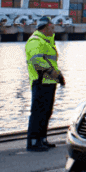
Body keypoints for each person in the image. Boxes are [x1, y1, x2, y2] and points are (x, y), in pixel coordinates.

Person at [25, 17, 65, 152]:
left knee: (46, 112)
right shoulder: (35, 41)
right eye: (51, 25)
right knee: (38, 112)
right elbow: (37, 62)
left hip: (49, 81)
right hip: (40, 81)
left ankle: (42, 139)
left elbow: (51, 62)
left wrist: (58, 76)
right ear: (45, 27)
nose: (54, 27)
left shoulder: (47, 41)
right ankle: (33, 141)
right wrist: (54, 73)